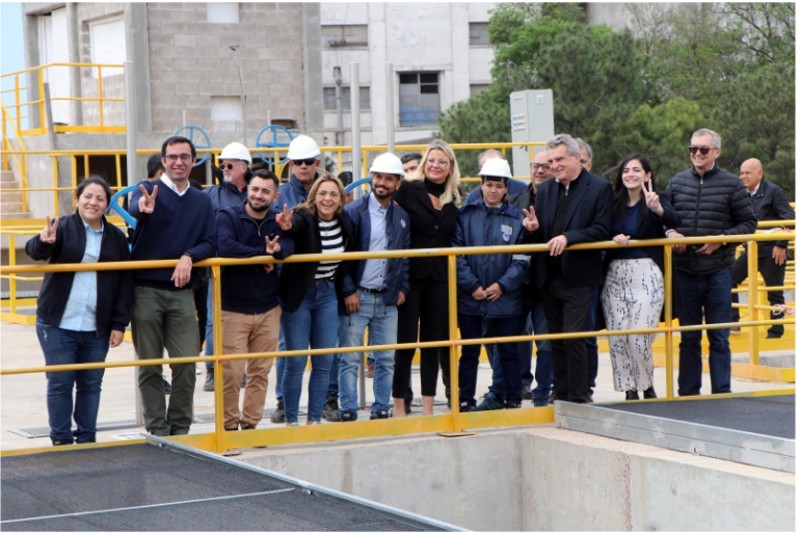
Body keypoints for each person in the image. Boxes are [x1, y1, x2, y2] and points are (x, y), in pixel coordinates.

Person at [27, 177, 133, 446]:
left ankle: (86, 439)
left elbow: (123, 283)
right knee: (60, 382)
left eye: (100, 198)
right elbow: (34, 251)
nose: (93, 202)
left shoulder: (117, 238)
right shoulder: (61, 227)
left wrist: (119, 324)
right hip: (58, 323)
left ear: (107, 205)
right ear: (77, 199)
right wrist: (43, 240)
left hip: (97, 326)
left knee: (90, 384)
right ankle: (61, 440)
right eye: (88, 196)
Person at [129, 136, 216, 436]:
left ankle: (180, 429)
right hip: (145, 291)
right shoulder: (147, 190)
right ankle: (157, 429)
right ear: (163, 161)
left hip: (182, 293)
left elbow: (210, 241)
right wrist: (143, 208)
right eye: (172, 157)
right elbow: (135, 208)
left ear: (194, 161)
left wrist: (189, 256)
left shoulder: (202, 200)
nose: (178, 162)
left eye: (184, 156)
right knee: (150, 365)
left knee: (186, 364)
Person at [663, 128, 757, 396]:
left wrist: (722, 239)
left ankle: (721, 393)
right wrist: (670, 233)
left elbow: (749, 223)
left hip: (718, 271)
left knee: (719, 337)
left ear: (717, 151)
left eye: (703, 149)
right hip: (685, 270)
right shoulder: (677, 182)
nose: (697, 154)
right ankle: (688, 395)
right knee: (688, 337)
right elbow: (662, 219)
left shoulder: (731, 184)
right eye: (693, 149)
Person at [525, 133, 612, 404]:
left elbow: (601, 229)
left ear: (577, 157)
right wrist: (534, 229)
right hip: (549, 277)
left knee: (574, 337)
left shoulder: (599, 188)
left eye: (559, 159)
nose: (554, 165)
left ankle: (579, 393)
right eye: (551, 160)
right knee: (556, 339)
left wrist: (569, 238)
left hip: (578, 277)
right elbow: (542, 235)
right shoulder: (548, 189)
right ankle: (561, 393)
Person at [215, 170, 294, 438]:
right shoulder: (228, 216)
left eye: (265, 191)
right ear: (247, 188)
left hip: (269, 308)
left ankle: (250, 426)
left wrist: (279, 252)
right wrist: (262, 255)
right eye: (255, 189)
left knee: (260, 372)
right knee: (231, 373)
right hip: (232, 309)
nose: (259, 195)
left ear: (275, 196)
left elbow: (289, 247)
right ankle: (228, 426)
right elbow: (225, 246)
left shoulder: (279, 220)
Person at [275, 174, 355, 425]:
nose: (327, 199)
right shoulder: (304, 217)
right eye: (322, 193)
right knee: (296, 360)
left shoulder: (344, 221)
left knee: (323, 361)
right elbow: (294, 225)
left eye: (333, 194)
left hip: (328, 294)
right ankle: (291, 421)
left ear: (341, 200)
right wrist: (287, 226)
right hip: (301, 295)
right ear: (314, 197)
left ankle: (313, 421)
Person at [601, 155, 680, 400]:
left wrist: (656, 207)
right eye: (626, 170)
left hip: (646, 272)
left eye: (637, 170)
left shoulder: (657, 199)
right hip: (615, 274)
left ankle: (647, 385)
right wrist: (611, 239)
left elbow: (674, 221)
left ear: (648, 175)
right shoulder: (612, 202)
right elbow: (598, 228)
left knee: (639, 335)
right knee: (618, 335)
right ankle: (629, 389)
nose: (630, 174)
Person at [391, 139, 461, 417]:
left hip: (440, 279)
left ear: (450, 167)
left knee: (432, 344)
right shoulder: (408, 189)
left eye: (441, 162)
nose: (435, 166)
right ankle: (399, 407)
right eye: (431, 160)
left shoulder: (454, 197)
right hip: (410, 278)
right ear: (424, 164)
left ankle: (428, 408)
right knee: (405, 344)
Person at [338, 153, 410, 421]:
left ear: (397, 184)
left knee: (386, 358)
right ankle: (348, 409)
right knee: (349, 358)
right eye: (377, 177)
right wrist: (347, 291)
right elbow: (342, 257)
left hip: (388, 299)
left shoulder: (401, 216)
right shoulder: (352, 212)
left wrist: (402, 288)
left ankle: (381, 407)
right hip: (358, 297)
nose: (381, 182)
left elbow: (405, 255)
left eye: (388, 178)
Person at [454, 158, 529, 411]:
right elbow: (457, 255)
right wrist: (472, 286)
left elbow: (521, 260)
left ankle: (513, 398)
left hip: (505, 298)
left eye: (499, 185)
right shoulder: (465, 216)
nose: (493, 190)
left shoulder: (518, 219)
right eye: (489, 185)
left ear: (507, 187)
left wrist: (502, 286)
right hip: (470, 298)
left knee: (508, 350)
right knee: (470, 352)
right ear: (481, 185)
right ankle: (465, 399)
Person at [271, 134, 329, 423]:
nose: (303, 167)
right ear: (290, 164)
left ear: (317, 162)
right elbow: (279, 237)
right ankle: (284, 402)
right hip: (294, 285)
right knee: (290, 351)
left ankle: (324, 405)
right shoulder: (282, 197)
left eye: (308, 162)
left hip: (325, 283)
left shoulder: (330, 191)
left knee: (326, 352)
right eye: (297, 162)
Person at [202, 142, 252, 393]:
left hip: (250, 269)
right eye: (222, 164)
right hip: (219, 268)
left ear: (244, 167)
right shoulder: (211, 195)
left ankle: (238, 369)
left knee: (243, 320)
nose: (224, 168)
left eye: (229, 164)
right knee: (214, 320)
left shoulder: (256, 192)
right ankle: (212, 371)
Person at [730, 158, 795, 338]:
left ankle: (776, 331)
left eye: (747, 173)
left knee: (774, 292)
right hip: (751, 249)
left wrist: (781, 244)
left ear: (760, 173)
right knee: (729, 279)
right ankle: (733, 323)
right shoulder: (741, 194)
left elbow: (789, 218)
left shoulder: (774, 192)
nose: (743, 176)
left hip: (771, 250)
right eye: (741, 173)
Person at [510, 150, 555, 407]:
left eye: (546, 166)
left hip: (547, 283)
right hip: (518, 283)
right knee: (514, 336)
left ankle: (542, 390)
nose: (540, 170)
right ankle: (518, 385)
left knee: (546, 340)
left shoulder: (560, 201)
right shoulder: (516, 200)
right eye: (536, 165)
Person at [575, 137, 601, 400]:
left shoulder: (599, 190)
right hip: (562, 274)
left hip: (591, 272)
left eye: (580, 160)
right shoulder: (558, 189)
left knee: (587, 334)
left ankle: (587, 386)